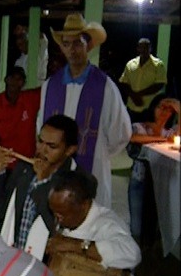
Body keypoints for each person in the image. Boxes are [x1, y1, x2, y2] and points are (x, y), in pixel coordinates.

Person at [38, 13, 132, 208]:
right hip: (56, 172)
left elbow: (121, 133)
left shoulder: (105, 87)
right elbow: (41, 128)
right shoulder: (50, 86)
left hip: (93, 169)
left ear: (88, 45)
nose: (72, 50)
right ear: (61, 47)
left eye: (77, 43)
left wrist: (98, 151)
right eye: (66, 44)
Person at [0, 114, 81, 261]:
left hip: (45, 265)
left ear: (70, 150)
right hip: (13, 257)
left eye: (52, 146)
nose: (42, 150)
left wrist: (43, 182)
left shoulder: (77, 182)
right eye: (40, 141)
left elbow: (58, 231)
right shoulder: (25, 168)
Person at [127, 96, 179, 241]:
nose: (164, 111)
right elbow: (132, 138)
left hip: (162, 183)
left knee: (155, 224)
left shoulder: (169, 132)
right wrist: (162, 140)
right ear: (153, 108)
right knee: (136, 226)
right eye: (160, 107)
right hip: (140, 179)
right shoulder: (140, 126)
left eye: (168, 109)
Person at [119, 37, 168, 123]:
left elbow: (160, 84)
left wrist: (139, 94)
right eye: (141, 47)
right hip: (131, 108)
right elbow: (124, 82)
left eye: (146, 47)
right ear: (138, 48)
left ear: (150, 48)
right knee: (129, 134)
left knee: (147, 135)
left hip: (149, 109)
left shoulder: (158, 65)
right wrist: (133, 96)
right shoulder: (130, 64)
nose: (144, 50)